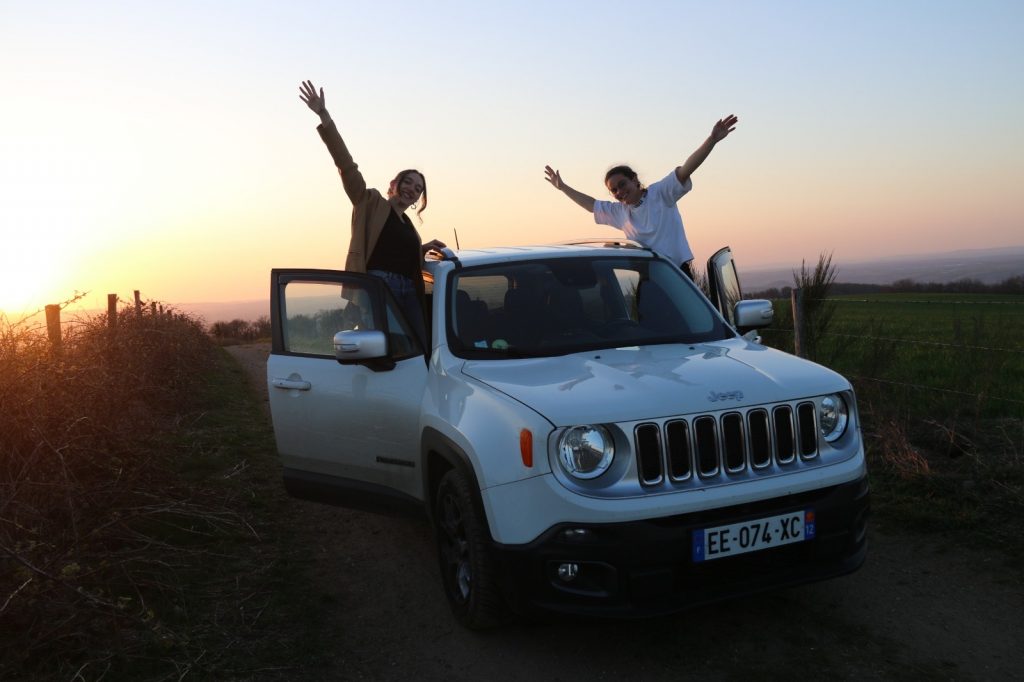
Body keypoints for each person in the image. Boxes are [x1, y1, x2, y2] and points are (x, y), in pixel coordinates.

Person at [299, 79, 445, 345]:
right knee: (391, 347)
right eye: (408, 182)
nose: (412, 189)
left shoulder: (408, 225)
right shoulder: (369, 202)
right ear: (394, 184)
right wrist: (324, 116)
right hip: (379, 288)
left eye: (418, 189)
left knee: (420, 344)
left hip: (409, 289)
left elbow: (397, 254)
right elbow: (346, 165)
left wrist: (421, 248)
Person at [544, 115, 738, 279]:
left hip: (677, 275)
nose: (619, 192)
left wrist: (712, 140)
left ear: (634, 179)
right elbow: (591, 205)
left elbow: (687, 169)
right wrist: (563, 187)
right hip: (648, 278)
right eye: (614, 190)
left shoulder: (660, 194)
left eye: (622, 184)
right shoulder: (620, 212)